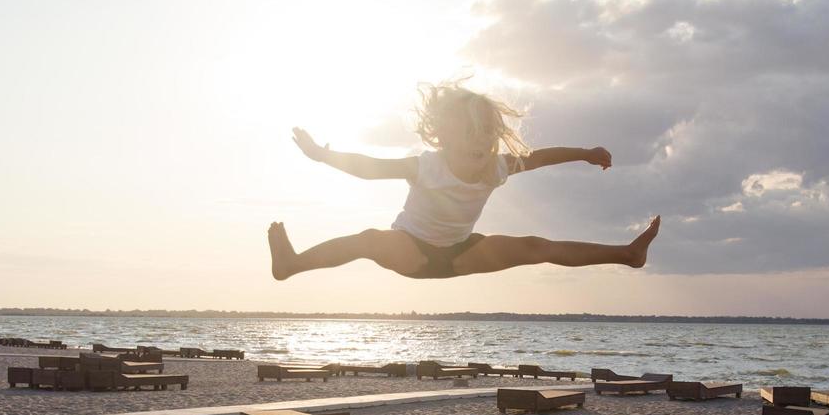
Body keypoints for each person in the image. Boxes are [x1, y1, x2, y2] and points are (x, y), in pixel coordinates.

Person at [267, 81, 660, 280]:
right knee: (369, 240)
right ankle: (292, 264)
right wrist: (322, 156)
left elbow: (540, 157)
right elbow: (369, 166)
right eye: (469, 135)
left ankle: (628, 254)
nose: (481, 143)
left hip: (462, 253)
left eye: (487, 135)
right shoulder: (427, 166)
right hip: (411, 250)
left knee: (535, 246)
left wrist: (585, 153)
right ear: (445, 138)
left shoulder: (497, 168)